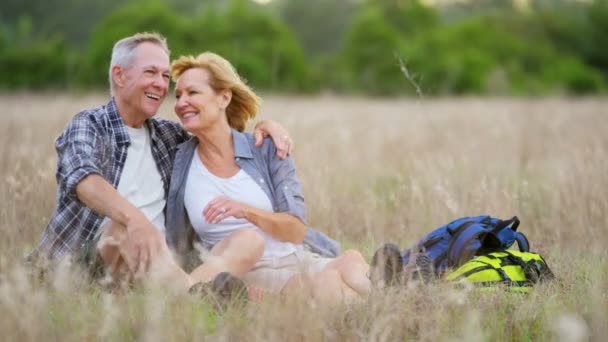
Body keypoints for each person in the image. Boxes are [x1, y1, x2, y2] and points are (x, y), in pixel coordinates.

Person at [28, 32, 292, 294]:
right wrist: (136, 220)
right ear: (119, 75)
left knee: (249, 240)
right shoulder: (89, 125)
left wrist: (266, 127)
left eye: (165, 76)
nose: (161, 84)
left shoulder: (167, 136)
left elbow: (218, 132)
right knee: (121, 230)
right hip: (89, 260)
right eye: (150, 73)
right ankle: (194, 297)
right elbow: (83, 179)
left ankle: (188, 293)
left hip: (163, 262)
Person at [166, 52, 371, 303]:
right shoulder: (176, 158)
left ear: (224, 97)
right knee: (323, 283)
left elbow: (295, 231)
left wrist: (246, 211)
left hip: (296, 255)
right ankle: (379, 300)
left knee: (352, 259)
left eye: (192, 93)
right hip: (248, 270)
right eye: (178, 95)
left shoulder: (265, 148)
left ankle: (382, 297)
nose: (180, 102)